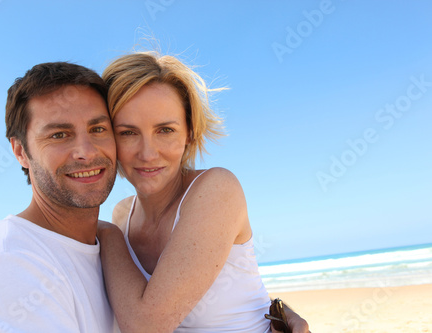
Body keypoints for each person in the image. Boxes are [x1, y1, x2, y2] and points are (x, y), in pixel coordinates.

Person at [97, 52, 310, 333]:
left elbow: (145, 325)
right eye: (128, 133)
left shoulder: (216, 189)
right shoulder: (121, 215)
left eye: (165, 130)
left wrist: (105, 233)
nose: (148, 153)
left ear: (190, 134)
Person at [0, 62, 119, 332]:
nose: (86, 152)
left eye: (98, 129)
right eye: (59, 135)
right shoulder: (10, 262)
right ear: (20, 151)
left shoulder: (107, 251)